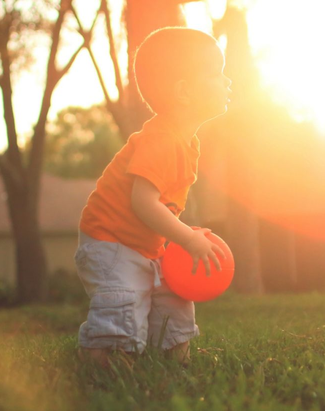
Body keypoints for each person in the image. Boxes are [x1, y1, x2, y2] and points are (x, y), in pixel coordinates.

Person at [75, 27, 232, 367]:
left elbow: (159, 207)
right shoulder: (162, 139)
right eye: (217, 73)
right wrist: (187, 237)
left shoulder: (185, 141)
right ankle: (105, 354)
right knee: (124, 299)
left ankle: (174, 354)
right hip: (111, 240)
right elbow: (142, 203)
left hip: (143, 242)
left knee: (172, 293)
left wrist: (178, 237)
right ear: (184, 92)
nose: (227, 81)